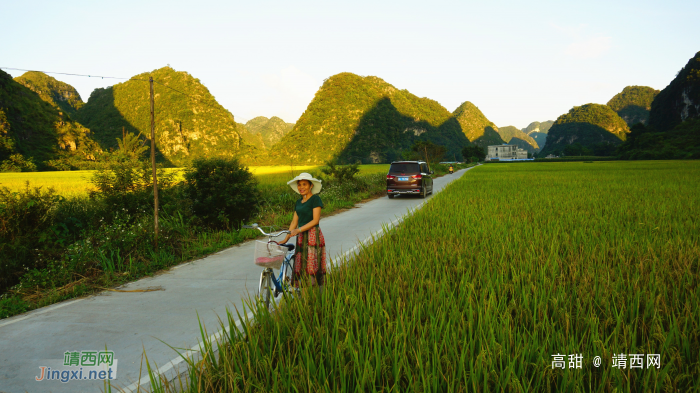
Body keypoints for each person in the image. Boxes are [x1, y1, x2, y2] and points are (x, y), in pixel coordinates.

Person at [280, 173, 326, 288]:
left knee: (312, 263)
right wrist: (286, 238)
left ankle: (314, 292)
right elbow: (294, 222)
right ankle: (304, 292)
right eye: (299, 185)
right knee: (301, 263)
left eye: (304, 184)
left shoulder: (315, 199)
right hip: (301, 236)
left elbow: (315, 221)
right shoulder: (298, 202)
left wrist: (298, 230)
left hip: (312, 235)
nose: (301, 187)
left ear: (311, 186)